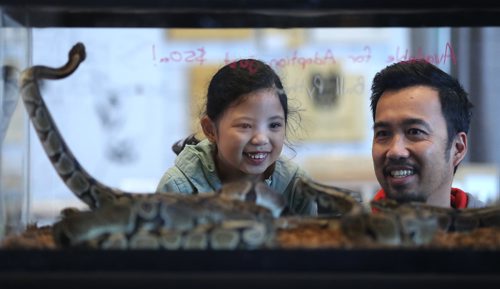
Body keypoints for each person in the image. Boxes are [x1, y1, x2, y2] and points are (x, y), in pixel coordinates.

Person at [156, 59, 316, 216]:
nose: (261, 139)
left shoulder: (298, 187)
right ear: (210, 129)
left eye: (274, 125)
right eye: (245, 126)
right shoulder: (177, 188)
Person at [370, 60, 484, 209]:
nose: (395, 151)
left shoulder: (492, 230)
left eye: (415, 132)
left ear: (458, 148)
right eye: (383, 133)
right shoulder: (341, 230)